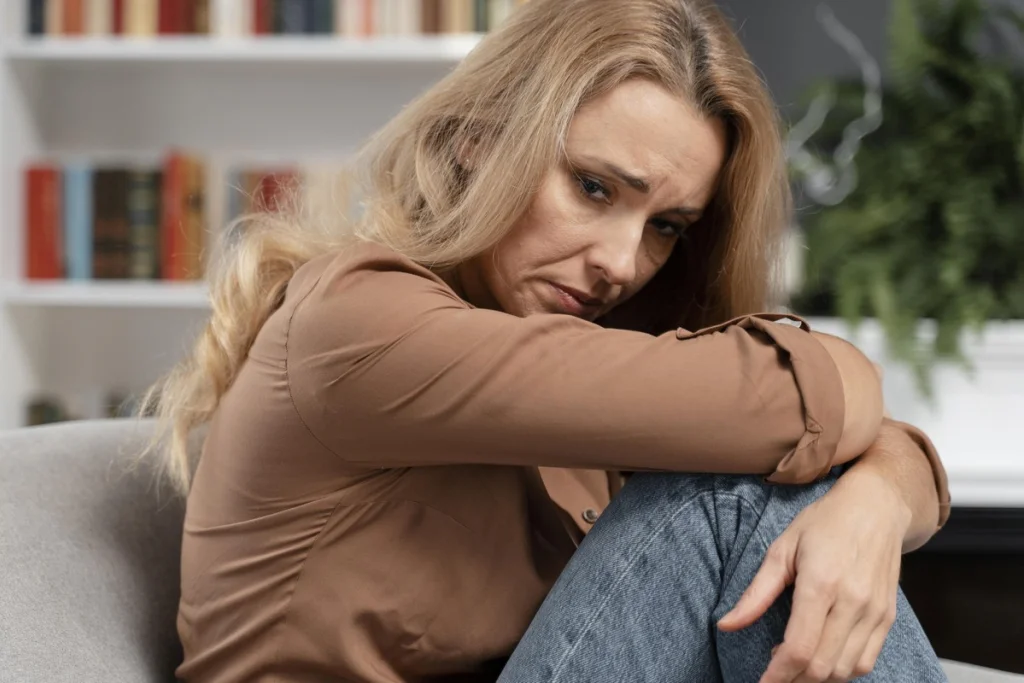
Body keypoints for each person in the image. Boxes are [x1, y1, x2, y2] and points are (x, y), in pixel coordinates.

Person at [146, 0, 953, 681]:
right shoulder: (359, 320)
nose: (621, 263)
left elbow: (850, 435)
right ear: (481, 136)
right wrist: (851, 417)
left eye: (666, 226)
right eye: (593, 187)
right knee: (727, 493)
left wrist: (877, 499)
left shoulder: (577, 352)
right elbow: (810, 400)